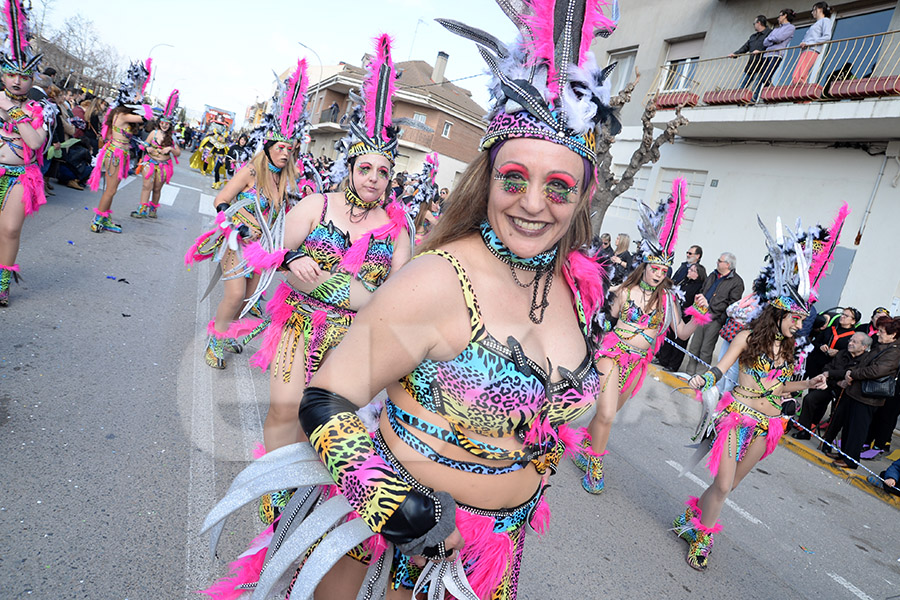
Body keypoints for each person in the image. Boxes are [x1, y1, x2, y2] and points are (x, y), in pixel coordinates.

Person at [201, 4, 622, 598]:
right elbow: (326, 401)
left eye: (558, 186)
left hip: (495, 556)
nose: (533, 203)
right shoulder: (440, 277)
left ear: (584, 194)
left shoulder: (578, 292)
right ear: (488, 180)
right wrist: (399, 512)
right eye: (514, 179)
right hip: (395, 546)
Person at [676, 208, 846, 571]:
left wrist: (808, 383)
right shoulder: (746, 337)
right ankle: (703, 538)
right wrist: (699, 379)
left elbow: (780, 386)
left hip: (767, 427)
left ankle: (692, 519)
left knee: (729, 487)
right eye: (795, 318)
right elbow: (719, 370)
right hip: (735, 418)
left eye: (802, 320)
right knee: (722, 486)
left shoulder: (789, 349)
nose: (800, 325)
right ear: (779, 313)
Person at [578, 181, 711, 493]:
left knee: (605, 414)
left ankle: (585, 444)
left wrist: (698, 315)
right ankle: (596, 463)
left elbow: (681, 332)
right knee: (608, 413)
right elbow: (602, 323)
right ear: (646, 265)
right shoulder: (624, 291)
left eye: (664, 270)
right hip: (612, 356)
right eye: (655, 268)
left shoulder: (668, 301)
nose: (658, 273)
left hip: (638, 364)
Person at [185, 61, 307, 370]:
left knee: (247, 300)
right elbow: (221, 199)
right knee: (235, 293)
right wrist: (235, 228)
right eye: (280, 147)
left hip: (262, 250)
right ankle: (214, 341)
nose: (285, 152)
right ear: (268, 147)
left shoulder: (288, 182)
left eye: (290, 148)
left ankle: (225, 335)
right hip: (237, 243)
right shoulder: (251, 170)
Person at [0, 0, 49, 307]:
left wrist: (12, 113)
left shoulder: (36, 109)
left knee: (10, 228)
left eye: (25, 76)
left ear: (32, 80)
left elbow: (34, 142)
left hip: (21, 176)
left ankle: (2, 283)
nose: (17, 80)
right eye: (11, 73)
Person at [86, 59, 153, 233]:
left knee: (111, 189)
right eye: (135, 95)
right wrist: (142, 100)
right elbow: (147, 116)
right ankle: (98, 219)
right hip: (115, 154)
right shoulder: (122, 113)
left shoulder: (119, 113)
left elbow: (109, 134)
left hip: (117, 152)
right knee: (111, 190)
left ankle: (105, 218)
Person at [828, 316, 900, 470]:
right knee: (849, 426)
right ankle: (844, 454)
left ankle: (851, 460)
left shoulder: (894, 352)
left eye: (881, 332)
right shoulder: (881, 346)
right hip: (857, 392)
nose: (878, 334)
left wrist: (854, 374)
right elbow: (863, 362)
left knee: (858, 429)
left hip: (869, 397)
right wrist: (852, 371)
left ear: (893, 335)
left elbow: (877, 370)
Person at [793, 331, 872, 439]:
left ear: (864, 347)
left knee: (838, 414)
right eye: (850, 340)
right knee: (810, 399)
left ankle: (828, 440)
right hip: (831, 384)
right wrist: (834, 378)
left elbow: (849, 373)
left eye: (855, 342)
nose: (850, 343)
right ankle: (804, 429)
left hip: (847, 391)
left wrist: (832, 374)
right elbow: (827, 368)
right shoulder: (842, 353)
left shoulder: (866, 360)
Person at [684, 252, 744, 375]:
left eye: (719, 260)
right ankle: (688, 374)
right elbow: (704, 289)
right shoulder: (713, 275)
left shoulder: (737, 282)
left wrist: (713, 309)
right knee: (694, 346)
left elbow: (733, 305)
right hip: (701, 315)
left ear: (728, 264)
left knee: (706, 349)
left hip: (715, 319)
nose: (717, 262)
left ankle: (699, 377)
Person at [130, 89, 181, 219]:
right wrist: (147, 149)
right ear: (159, 123)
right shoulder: (153, 133)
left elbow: (178, 153)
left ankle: (153, 209)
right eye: (162, 123)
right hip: (149, 162)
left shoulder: (173, 138)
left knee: (157, 189)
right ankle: (142, 209)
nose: (164, 126)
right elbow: (143, 144)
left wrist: (170, 149)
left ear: (170, 125)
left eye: (167, 124)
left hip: (164, 166)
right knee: (146, 186)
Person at [656, 262, 708, 372]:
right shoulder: (684, 281)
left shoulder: (699, 287)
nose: (689, 271)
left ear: (698, 274)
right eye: (690, 269)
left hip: (685, 317)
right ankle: (663, 360)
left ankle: (673, 365)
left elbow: (695, 303)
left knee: (679, 342)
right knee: (668, 337)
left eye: (692, 270)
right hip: (674, 313)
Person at [805, 306, 861, 377]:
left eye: (846, 316)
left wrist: (838, 352)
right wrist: (820, 346)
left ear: (853, 321)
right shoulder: (830, 329)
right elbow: (815, 342)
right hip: (815, 361)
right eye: (842, 314)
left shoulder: (853, 337)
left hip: (832, 366)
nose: (842, 316)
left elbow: (851, 353)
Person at [792, 2, 833, 84]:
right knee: (797, 75)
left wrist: (810, 43)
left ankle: (801, 91)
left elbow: (827, 36)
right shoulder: (817, 23)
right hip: (807, 49)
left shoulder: (825, 20)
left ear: (820, 9)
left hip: (812, 49)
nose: (812, 12)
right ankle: (800, 91)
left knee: (799, 76)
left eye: (814, 10)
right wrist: (804, 42)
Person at [757, 9, 797, 92]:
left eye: (779, 16)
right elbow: (765, 42)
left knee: (766, 77)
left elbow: (779, 38)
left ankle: (774, 93)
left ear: (785, 16)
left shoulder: (791, 27)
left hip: (776, 54)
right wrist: (773, 39)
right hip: (766, 55)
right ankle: (768, 96)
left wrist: (771, 39)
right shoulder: (775, 29)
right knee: (763, 78)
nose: (778, 18)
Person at [729, 15, 772, 90]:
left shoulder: (770, 33)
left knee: (755, 89)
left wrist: (761, 51)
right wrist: (735, 54)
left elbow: (773, 47)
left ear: (759, 23)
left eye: (754, 23)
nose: (754, 26)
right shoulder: (753, 36)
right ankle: (740, 101)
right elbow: (745, 47)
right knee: (740, 88)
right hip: (750, 67)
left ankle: (753, 101)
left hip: (761, 67)